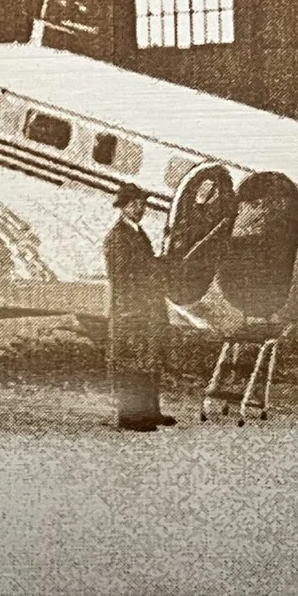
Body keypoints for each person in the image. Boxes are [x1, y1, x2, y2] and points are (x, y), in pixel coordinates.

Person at [102, 184, 175, 430]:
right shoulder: (117, 237)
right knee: (131, 362)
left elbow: (146, 264)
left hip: (146, 308)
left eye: (142, 204)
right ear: (122, 207)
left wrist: (161, 265)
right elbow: (123, 277)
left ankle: (151, 412)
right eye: (134, 204)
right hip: (131, 309)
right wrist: (155, 272)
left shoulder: (137, 233)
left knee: (149, 359)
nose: (140, 208)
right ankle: (131, 418)